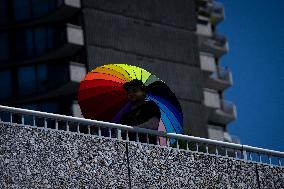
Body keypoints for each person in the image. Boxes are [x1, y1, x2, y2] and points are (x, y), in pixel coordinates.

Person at [120, 79, 161, 144]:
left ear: (143, 92)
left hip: (146, 146)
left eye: (135, 91)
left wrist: (133, 129)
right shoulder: (126, 114)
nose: (131, 94)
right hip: (128, 147)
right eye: (128, 92)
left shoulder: (150, 106)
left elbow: (153, 124)